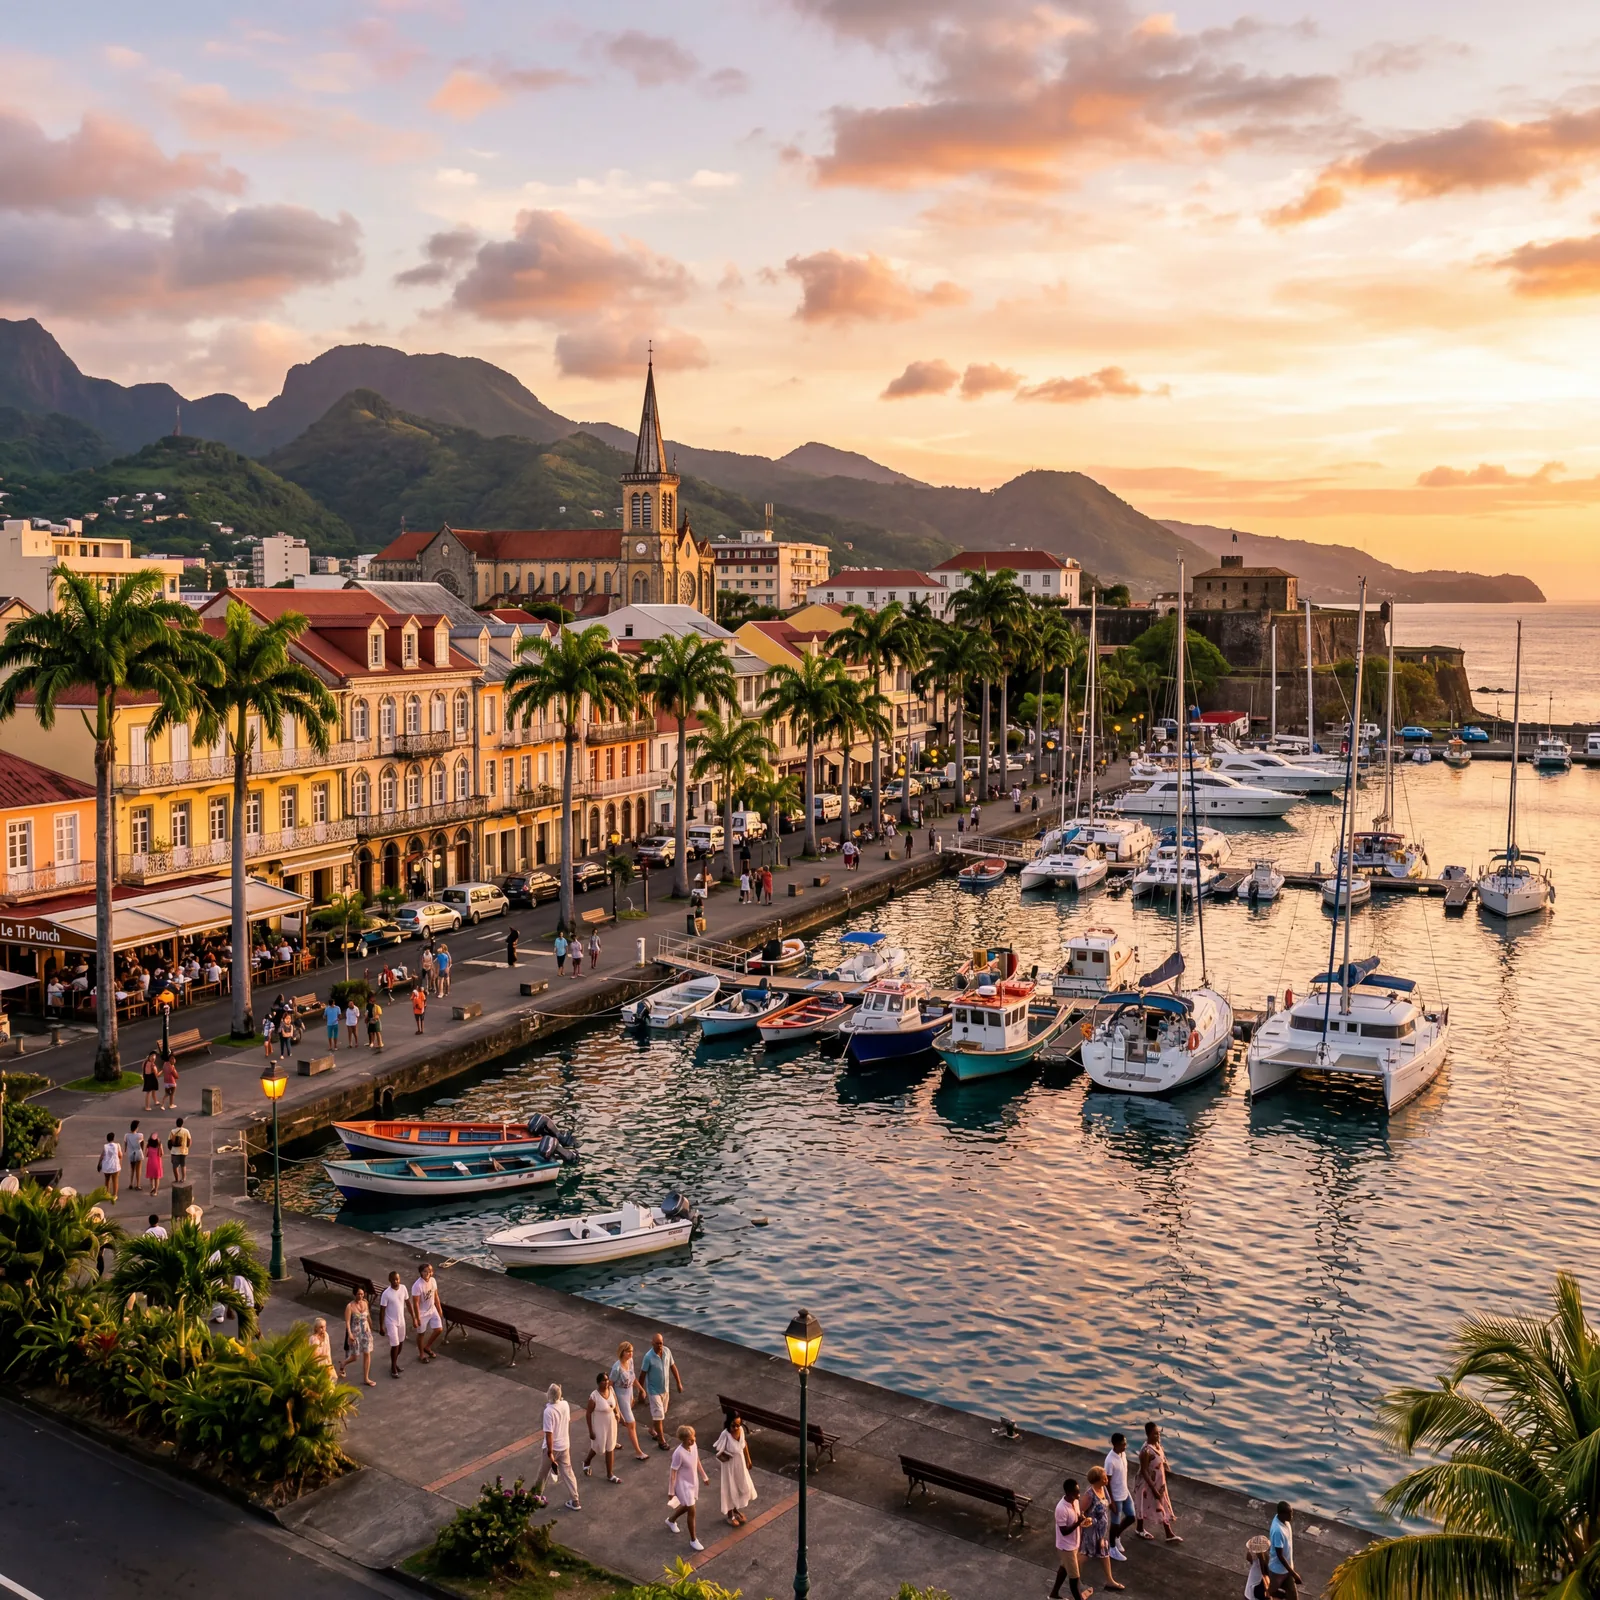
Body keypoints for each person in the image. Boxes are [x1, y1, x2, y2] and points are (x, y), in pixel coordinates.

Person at [531, 1382, 581, 1512]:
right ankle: (575, 1500)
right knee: (568, 1473)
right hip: (565, 1445)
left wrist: (550, 1452)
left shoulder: (548, 1411)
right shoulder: (565, 1405)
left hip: (552, 1448)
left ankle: (536, 1497)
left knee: (543, 1473)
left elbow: (549, 1434)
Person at [664, 1424, 710, 1552]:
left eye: (693, 1437)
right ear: (683, 1439)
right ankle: (693, 1539)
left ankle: (671, 1520)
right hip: (683, 1484)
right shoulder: (678, 1454)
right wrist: (671, 1491)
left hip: (692, 1481)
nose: (693, 1440)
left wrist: (704, 1476)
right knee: (692, 1510)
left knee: (687, 1506)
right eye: (690, 1439)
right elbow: (673, 1473)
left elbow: (697, 1461)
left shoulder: (693, 1446)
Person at [1136, 1421, 1182, 1542]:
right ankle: (1167, 1533)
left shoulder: (1158, 1445)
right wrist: (1153, 1489)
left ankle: (1166, 1532)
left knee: (1159, 1505)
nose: (1158, 1436)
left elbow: (1163, 1461)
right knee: (1147, 1506)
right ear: (1148, 1434)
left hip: (1159, 1482)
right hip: (1148, 1484)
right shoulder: (1146, 1451)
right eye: (1155, 1434)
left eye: (1158, 1433)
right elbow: (1144, 1471)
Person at [1082, 1467, 1124, 1591]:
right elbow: (1080, 1512)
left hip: (1100, 1532)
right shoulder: (1089, 1495)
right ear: (1097, 1480)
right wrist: (1089, 1520)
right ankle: (1072, 1576)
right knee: (1084, 1555)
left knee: (1104, 1554)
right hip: (1091, 1532)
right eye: (1104, 1478)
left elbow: (1107, 1503)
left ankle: (1110, 1580)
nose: (1107, 1479)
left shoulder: (1103, 1489)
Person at [639, 1331, 683, 1451]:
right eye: (657, 1343)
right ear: (652, 1343)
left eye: (661, 1343)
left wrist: (678, 1382)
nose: (660, 1345)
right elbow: (642, 1374)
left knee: (662, 1412)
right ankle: (661, 1439)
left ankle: (652, 1429)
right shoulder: (648, 1357)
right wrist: (641, 1391)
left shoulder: (667, 1352)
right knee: (659, 1413)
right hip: (653, 1390)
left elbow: (673, 1366)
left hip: (665, 1389)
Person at [713, 1412, 757, 1527]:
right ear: (728, 1424)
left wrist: (748, 1459)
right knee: (730, 1487)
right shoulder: (725, 1434)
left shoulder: (741, 1430)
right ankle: (729, 1515)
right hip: (729, 1465)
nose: (736, 1428)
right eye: (734, 1425)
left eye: (738, 1425)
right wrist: (725, 1456)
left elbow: (744, 1444)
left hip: (740, 1462)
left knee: (741, 1485)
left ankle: (736, 1509)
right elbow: (718, 1451)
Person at [1049, 1477, 1088, 1600]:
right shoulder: (1061, 1509)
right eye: (1077, 1492)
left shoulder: (1075, 1502)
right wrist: (1078, 1523)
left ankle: (1054, 1594)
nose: (1079, 1494)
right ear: (1069, 1493)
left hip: (1074, 1544)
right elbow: (1064, 1531)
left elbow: (1077, 1518)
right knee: (1074, 1579)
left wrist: (1082, 1520)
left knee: (1064, 1568)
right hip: (1067, 1547)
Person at [611, 1341, 650, 1461]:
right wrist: (615, 1403)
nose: (631, 1354)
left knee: (617, 1420)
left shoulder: (630, 1361)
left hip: (628, 1394)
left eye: (632, 1351)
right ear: (622, 1352)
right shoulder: (617, 1368)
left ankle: (612, 1441)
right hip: (620, 1395)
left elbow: (632, 1378)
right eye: (628, 1351)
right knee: (631, 1423)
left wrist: (641, 1389)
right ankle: (638, 1452)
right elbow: (611, 1385)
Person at [584, 1371, 622, 1483]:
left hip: (611, 1423)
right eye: (603, 1381)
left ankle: (610, 1474)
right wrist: (590, 1430)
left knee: (610, 1447)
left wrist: (618, 1413)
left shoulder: (611, 1390)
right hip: (599, 1425)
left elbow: (615, 1403)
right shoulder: (594, 1396)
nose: (606, 1382)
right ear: (598, 1383)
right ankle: (587, 1461)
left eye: (607, 1380)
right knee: (598, 1447)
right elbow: (588, 1414)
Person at [1105, 1432, 1136, 1557]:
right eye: (1123, 1444)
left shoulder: (1122, 1454)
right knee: (1115, 1522)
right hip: (1116, 1496)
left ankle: (1117, 1536)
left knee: (1131, 1516)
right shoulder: (1110, 1461)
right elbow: (1107, 1482)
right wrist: (1111, 1501)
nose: (1125, 1446)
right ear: (1116, 1445)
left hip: (1125, 1491)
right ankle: (1111, 1548)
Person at [340, 1287, 377, 1386]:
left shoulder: (365, 1303)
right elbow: (347, 1322)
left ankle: (366, 1378)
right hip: (355, 1333)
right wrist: (350, 1334)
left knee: (367, 1353)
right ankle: (343, 1363)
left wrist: (371, 1326)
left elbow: (368, 1316)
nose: (360, 1296)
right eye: (358, 1294)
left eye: (362, 1294)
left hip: (366, 1332)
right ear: (354, 1294)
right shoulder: (350, 1306)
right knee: (355, 1356)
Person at [1267, 1503, 1302, 1599]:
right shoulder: (1278, 1530)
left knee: (1293, 1596)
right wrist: (1294, 1574)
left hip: (1287, 1569)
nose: (1291, 1516)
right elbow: (1280, 1556)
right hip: (1277, 1570)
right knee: (1271, 1591)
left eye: (1291, 1513)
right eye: (1289, 1514)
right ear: (1281, 1514)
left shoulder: (1284, 1521)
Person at [410, 1263, 443, 1362]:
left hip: (432, 1309)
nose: (427, 1273)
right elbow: (415, 1303)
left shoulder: (433, 1281)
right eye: (425, 1271)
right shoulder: (417, 1285)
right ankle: (421, 1354)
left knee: (439, 1329)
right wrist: (417, 1317)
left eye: (429, 1271)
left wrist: (439, 1308)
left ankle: (427, 1347)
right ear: (421, 1272)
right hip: (422, 1312)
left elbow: (436, 1295)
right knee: (421, 1334)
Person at [378, 1271, 408, 1377]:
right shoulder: (386, 1293)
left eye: (397, 1279)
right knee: (395, 1345)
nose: (396, 1281)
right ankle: (393, 1367)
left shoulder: (403, 1288)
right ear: (389, 1280)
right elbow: (382, 1311)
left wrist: (415, 1318)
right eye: (394, 1279)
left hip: (401, 1321)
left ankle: (395, 1363)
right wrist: (381, 1326)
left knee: (400, 1344)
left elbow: (408, 1302)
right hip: (391, 1322)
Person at [1244, 1534, 1271, 1600]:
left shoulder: (1255, 1558)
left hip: (1251, 1589)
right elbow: (1264, 1574)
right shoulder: (1262, 1560)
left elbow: (1248, 1558)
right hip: (1256, 1588)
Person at [98, 1131, 122, 1201]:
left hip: (106, 1166)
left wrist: (99, 1163)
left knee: (107, 1180)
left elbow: (102, 1156)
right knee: (115, 1181)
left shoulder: (105, 1146)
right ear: (113, 1138)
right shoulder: (117, 1145)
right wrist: (120, 1162)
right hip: (115, 1166)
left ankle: (107, 1194)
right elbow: (120, 1155)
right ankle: (114, 1195)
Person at [123, 1121, 145, 1192]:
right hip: (138, 1152)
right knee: (138, 1169)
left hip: (131, 1153)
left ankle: (131, 1183)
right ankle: (137, 1185)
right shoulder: (140, 1135)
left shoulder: (126, 1135)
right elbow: (142, 1145)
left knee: (132, 1169)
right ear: (136, 1128)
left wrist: (126, 1151)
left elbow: (125, 1146)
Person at [168, 1118, 190, 1183]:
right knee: (183, 1165)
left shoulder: (172, 1131)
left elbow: (169, 1141)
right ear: (182, 1123)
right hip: (183, 1151)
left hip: (175, 1151)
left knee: (175, 1166)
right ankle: (183, 1178)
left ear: (176, 1123)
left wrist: (170, 1149)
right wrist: (187, 1146)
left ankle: (176, 1179)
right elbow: (189, 1140)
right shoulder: (186, 1131)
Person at [143, 1128, 164, 1197]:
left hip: (150, 1162)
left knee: (151, 1177)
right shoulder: (159, 1145)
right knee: (156, 1177)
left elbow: (146, 1154)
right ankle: (156, 1191)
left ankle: (152, 1187)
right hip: (157, 1162)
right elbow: (162, 1154)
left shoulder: (148, 1145)